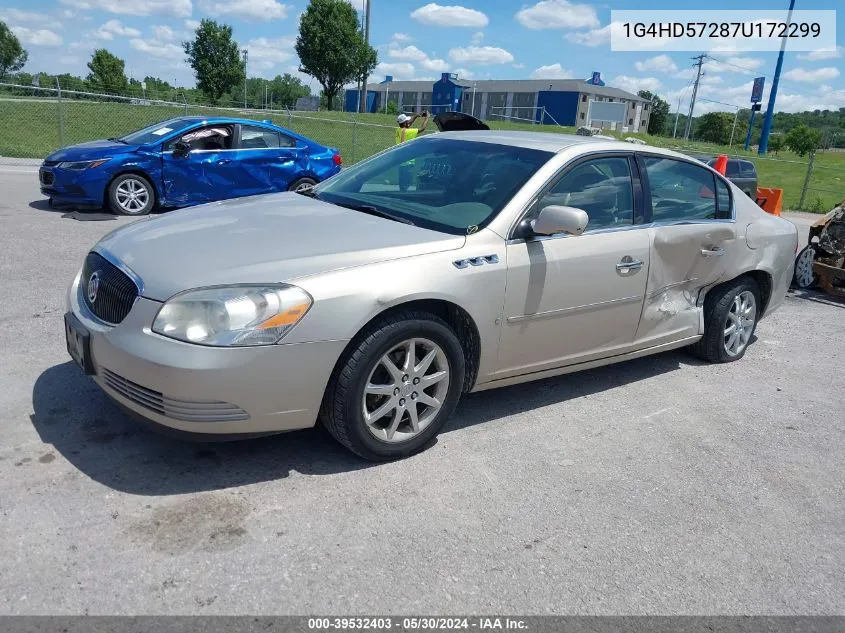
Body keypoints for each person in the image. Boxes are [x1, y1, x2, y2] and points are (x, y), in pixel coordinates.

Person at [395, 111, 429, 191]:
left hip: (400, 163)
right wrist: (427, 117)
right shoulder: (408, 131)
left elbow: (408, 124)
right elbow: (422, 128)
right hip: (408, 164)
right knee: (406, 185)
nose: (408, 122)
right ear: (405, 123)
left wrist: (416, 116)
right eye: (407, 121)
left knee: (402, 185)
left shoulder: (398, 130)